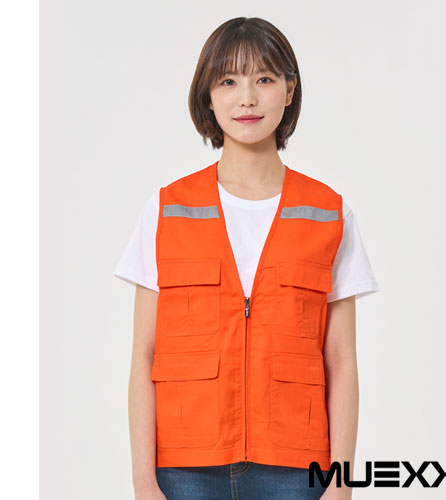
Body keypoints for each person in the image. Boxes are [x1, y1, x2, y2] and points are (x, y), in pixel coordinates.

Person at [114, 16, 379, 500]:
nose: (248, 98)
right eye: (228, 81)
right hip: (184, 470)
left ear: (290, 90)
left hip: (296, 470)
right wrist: (143, 481)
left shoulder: (329, 213)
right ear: (208, 96)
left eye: (265, 79)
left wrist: (341, 483)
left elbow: (341, 361)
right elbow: (143, 356)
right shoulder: (167, 209)